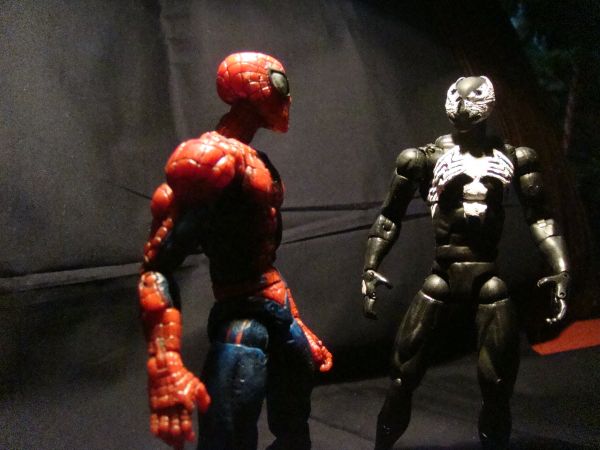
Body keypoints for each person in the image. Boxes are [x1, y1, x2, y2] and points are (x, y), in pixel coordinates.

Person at [361, 76, 569, 449]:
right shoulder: (423, 158)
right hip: (443, 274)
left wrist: (561, 267)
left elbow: (540, 217)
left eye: (469, 98)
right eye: (457, 98)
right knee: (402, 376)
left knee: (497, 383)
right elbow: (388, 218)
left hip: (487, 276)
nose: (461, 105)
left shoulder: (515, 158)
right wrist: (371, 265)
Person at [138, 52, 332, 450]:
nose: (287, 99)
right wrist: (165, 365)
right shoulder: (212, 159)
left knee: (294, 426)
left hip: (278, 313)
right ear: (252, 89)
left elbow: (265, 263)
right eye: (279, 85)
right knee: (228, 432)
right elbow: (157, 266)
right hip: (241, 319)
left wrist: (298, 322)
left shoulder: (259, 161)